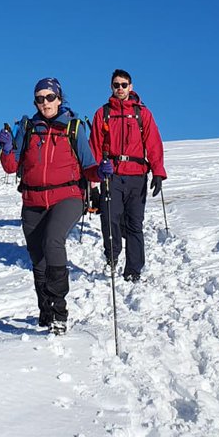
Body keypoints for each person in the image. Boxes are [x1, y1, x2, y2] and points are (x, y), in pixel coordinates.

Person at [0, 77, 101, 334]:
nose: (45, 103)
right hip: (32, 199)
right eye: (40, 99)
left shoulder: (73, 127)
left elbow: (89, 167)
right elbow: (11, 167)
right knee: (37, 257)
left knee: (53, 240)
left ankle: (59, 311)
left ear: (59, 98)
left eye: (50, 97)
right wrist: (6, 148)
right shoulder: (28, 128)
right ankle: (45, 308)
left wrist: (102, 172)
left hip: (68, 196)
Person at [90, 69, 167, 282]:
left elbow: (153, 144)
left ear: (130, 87)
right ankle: (112, 257)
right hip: (111, 175)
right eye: (116, 85)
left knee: (134, 223)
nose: (120, 88)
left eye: (124, 84)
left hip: (137, 175)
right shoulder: (103, 113)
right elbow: (95, 146)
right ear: (111, 87)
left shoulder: (143, 113)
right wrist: (92, 181)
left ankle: (134, 269)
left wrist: (158, 172)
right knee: (109, 218)